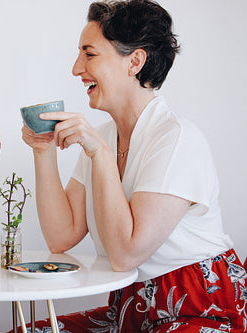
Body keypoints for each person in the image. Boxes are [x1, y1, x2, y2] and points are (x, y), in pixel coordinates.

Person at [19, 0, 247, 332]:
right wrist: (43, 151)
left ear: (135, 62)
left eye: (90, 54)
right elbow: (61, 235)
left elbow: (125, 254)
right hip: (130, 311)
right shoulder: (103, 137)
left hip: (198, 310)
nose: (76, 68)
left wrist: (99, 154)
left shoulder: (177, 138)